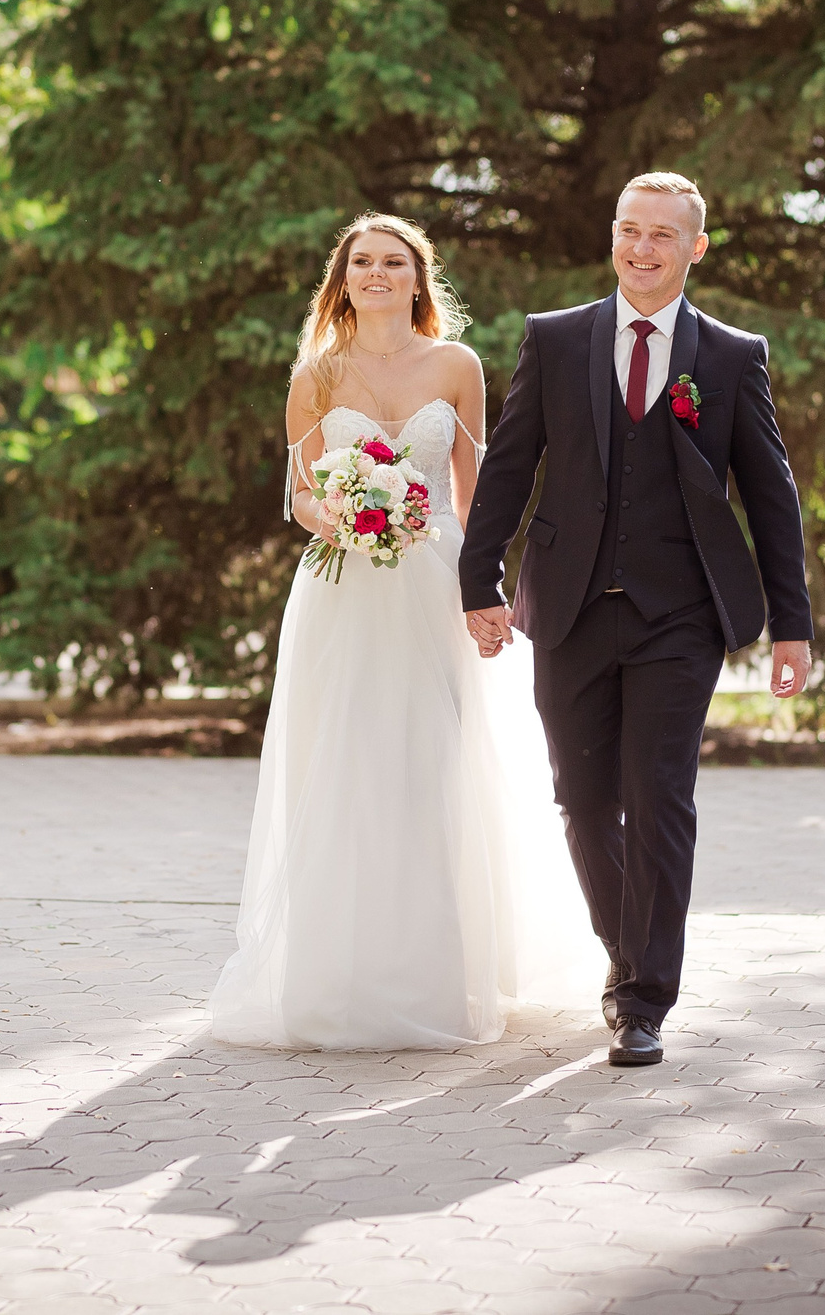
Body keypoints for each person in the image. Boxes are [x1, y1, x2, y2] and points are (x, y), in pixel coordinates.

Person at [209, 215, 604, 1051]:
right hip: (343, 589)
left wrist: (484, 589)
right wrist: (346, 517)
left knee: (437, 765)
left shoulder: (457, 367)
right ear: (342, 279)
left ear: (420, 279)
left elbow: (478, 494)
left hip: (434, 584)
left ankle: (443, 972)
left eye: (395, 262)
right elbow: (302, 495)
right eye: (363, 263)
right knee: (347, 765)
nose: (378, 274)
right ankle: (340, 976)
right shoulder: (314, 376)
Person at [461, 172, 815, 1068]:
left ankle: (644, 996)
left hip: (681, 614)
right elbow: (508, 466)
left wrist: (791, 623)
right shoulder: (557, 338)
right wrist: (477, 581)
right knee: (583, 803)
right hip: (569, 605)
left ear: (696, 247)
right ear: (613, 236)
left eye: (664, 234)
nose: (643, 248)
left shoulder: (732, 356)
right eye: (630, 229)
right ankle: (631, 951)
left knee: (659, 797)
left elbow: (772, 496)